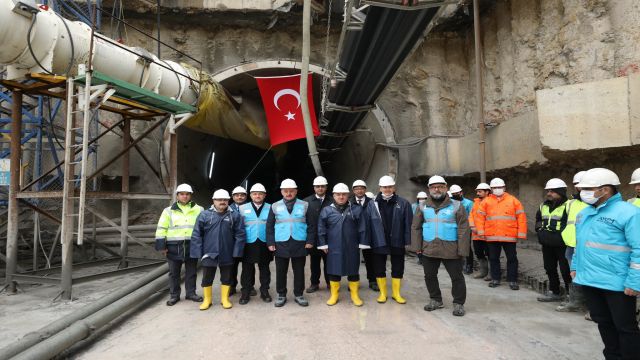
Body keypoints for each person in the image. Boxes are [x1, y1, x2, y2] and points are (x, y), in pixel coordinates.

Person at [571, 167, 640, 359]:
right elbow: (580, 245)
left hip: (617, 283)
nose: (582, 192)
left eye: (587, 188)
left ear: (605, 190)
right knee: (603, 322)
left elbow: (639, 249)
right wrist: (575, 267)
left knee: (625, 328)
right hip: (590, 280)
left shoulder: (629, 213)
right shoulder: (584, 214)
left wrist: (635, 282)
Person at [411, 176, 470, 316]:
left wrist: (462, 249)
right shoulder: (422, 206)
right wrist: (417, 247)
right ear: (429, 189)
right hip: (429, 247)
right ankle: (436, 300)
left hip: (451, 248)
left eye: (440, 186)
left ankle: (459, 303)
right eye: (433, 187)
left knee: (457, 277)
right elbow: (416, 227)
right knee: (429, 276)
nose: (436, 189)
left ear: (446, 187)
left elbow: (464, 228)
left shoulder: (457, 205)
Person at [191, 189, 246, 310]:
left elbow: (240, 235)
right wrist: (198, 252)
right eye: (219, 200)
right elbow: (196, 234)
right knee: (207, 277)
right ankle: (207, 300)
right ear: (213, 201)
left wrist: (237, 252)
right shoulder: (204, 215)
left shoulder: (235, 216)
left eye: (225, 200)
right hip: (209, 252)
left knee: (227, 277)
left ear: (228, 201)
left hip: (227, 251)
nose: (222, 202)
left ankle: (225, 299)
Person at [318, 183, 370, 306]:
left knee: (353, 270)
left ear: (348, 195)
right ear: (334, 195)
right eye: (338, 194)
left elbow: (363, 227)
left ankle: (354, 295)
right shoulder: (327, 210)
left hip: (352, 246)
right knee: (334, 270)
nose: (341, 197)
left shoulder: (356, 209)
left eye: (344, 194)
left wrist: (362, 243)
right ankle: (334, 295)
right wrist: (323, 244)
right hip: (333, 246)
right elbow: (321, 228)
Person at [155, 183, 204, 306]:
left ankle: (191, 293)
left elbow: (204, 228)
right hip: (173, 246)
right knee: (174, 273)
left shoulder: (199, 209)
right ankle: (174, 296)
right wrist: (162, 246)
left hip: (192, 245)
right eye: (182, 194)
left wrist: (203, 245)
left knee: (191, 272)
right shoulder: (168, 211)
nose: (185, 196)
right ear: (177, 195)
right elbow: (161, 228)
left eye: (187, 194)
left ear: (191, 195)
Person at [366, 175, 412, 304]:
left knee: (398, 267)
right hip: (379, 240)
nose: (387, 189)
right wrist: (368, 240)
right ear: (380, 188)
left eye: (390, 187)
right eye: (385, 187)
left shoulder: (403, 203)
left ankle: (396, 294)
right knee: (379, 267)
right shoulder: (372, 203)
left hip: (397, 240)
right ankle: (383, 293)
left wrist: (407, 241)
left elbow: (408, 223)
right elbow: (368, 223)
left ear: (394, 187)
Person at [267, 179, 313, 307]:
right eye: (286, 191)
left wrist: (310, 241)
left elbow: (311, 225)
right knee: (281, 271)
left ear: (296, 191)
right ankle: (281, 295)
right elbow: (269, 226)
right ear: (281, 192)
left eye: (291, 191)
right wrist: (270, 242)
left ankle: (299, 294)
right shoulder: (275, 206)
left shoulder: (304, 205)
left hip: (299, 242)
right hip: (281, 242)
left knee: (299, 270)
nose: (288, 193)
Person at [476, 177, 527, 290]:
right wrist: (481, 231)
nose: (497, 189)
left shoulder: (513, 200)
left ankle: (512, 280)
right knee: (493, 258)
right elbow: (479, 218)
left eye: (499, 187)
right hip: (492, 236)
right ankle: (495, 279)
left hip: (509, 236)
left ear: (504, 188)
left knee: (512, 259)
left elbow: (521, 217)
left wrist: (521, 234)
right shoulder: (486, 201)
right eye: (495, 188)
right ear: (491, 189)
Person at [557, 171, 589, 313]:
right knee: (574, 273)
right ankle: (575, 302)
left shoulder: (594, 203)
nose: (578, 187)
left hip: (588, 245)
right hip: (571, 244)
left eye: (580, 184)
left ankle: (592, 307)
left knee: (589, 274)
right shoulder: (571, 203)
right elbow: (565, 221)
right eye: (576, 184)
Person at [535, 178, 571, 302]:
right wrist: (540, 232)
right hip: (547, 244)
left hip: (562, 244)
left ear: (561, 192)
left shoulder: (569, 205)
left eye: (552, 191)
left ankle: (570, 295)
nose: (549, 193)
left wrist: (560, 236)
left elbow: (568, 224)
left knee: (566, 270)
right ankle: (554, 292)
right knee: (549, 268)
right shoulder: (543, 206)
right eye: (548, 191)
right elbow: (538, 220)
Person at [238, 183, 273, 304]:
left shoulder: (271, 207)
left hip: (264, 242)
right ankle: (245, 293)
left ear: (264, 195)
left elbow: (274, 226)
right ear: (251, 195)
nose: (257, 196)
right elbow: (239, 227)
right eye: (255, 194)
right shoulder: (242, 208)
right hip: (248, 243)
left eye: (260, 194)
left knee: (264, 269)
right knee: (247, 269)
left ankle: (265, 291)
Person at [304, 176, 331, 293]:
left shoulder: (332, 201)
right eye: (317, 186)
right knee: (314, 263)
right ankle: (314, 283)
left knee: (329, 262)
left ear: (326, 187)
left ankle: (330, 283)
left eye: (322, 186)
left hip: (328, 237)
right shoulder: (306, 202)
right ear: (314, 188)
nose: (320, 188)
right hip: (313, 238)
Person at [350, 179, 378, 291]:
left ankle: (372, 280)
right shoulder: (349, 202)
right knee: (353, 259)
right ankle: (353, 282)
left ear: (365, 189)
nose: (359, 190)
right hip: (354, 235)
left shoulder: (372, 202)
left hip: (368, 234)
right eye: (357, 188)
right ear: (353, 190)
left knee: (370, 259)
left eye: (361, 188)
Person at [469, 182, 491, 280]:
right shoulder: (476, 202)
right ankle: (483, 271)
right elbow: (471, 216)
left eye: (480, 191)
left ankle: (491, 273)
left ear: (487, 192)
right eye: (477, 191)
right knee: (479, 253)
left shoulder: (492, 202)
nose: (478, 193)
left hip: (487, 234)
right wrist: (472, 226)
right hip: (476, 234)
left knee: (490, 254)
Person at [450, 184, 474, 274]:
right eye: (454, 194)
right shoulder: (450, 203)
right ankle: (457, 265)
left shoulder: (468, 203)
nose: (456, 195)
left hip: (465, 228)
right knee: (454, 246)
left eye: (457, 193)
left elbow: (472, 216)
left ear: (461, 192)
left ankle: (469, 266)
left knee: (466, 246)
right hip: (454, 227)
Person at [229, 186, 249, 296]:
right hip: (233, 242)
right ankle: (232, 286)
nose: (239, 197)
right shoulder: (227, 208)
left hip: (248, 241)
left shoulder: (251, 207)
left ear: (246, 196)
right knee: (232, 266)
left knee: (248, 266)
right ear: (233, 197)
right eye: (237, 195)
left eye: (242, 195)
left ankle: (248, 287)